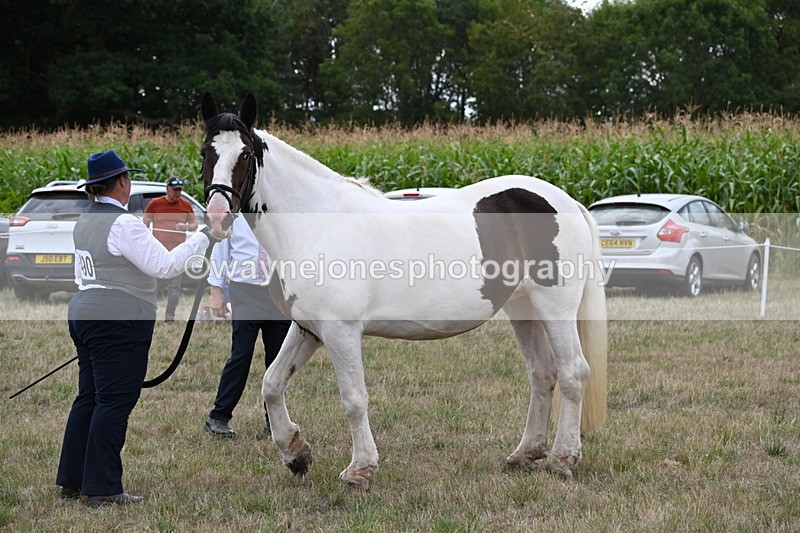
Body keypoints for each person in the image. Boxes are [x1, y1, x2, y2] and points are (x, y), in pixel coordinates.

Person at [56, 150, 211, 508]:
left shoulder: (85, 219)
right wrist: (204, 236)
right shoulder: (123, 223)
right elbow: (165, 266)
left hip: (84, 309)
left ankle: (73, 479)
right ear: (122, 182)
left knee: (89, 397)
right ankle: (103, 488)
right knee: (114, 403)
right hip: (117, 316)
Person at [204, 215, 291, 438]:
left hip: (279, 292)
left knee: (278, 360)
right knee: (241, 355)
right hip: (246, 292)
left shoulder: (279, 211)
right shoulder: (234, 215)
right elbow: (220, 251)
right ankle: (218, 417)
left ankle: (274, 420)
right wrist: (216, 290)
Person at [142, 177, 198, 323]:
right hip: (159, 252)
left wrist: (185, 227)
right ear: (167, 189)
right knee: (153, 286)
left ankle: (169, 318)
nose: (178, 192)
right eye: (175, 190)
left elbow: (194, 224)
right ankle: (149, 315)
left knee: (175, 288)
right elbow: (145, 224)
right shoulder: (155, 203)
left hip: (177, 253)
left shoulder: (185, 204)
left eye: (180, 189)